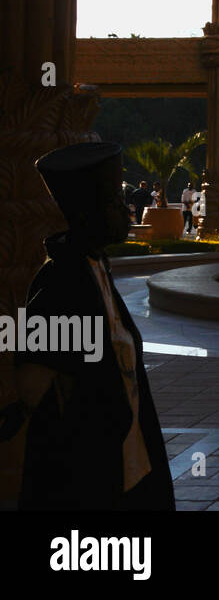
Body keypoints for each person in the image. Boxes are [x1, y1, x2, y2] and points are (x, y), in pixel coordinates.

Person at [0, 142, 175, 510]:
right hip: (89, 475)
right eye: (113, 204)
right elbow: (34, 385)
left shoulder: (96, 268)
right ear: (87, 214)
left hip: (130, 464)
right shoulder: (61, 281)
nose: (125, 211)